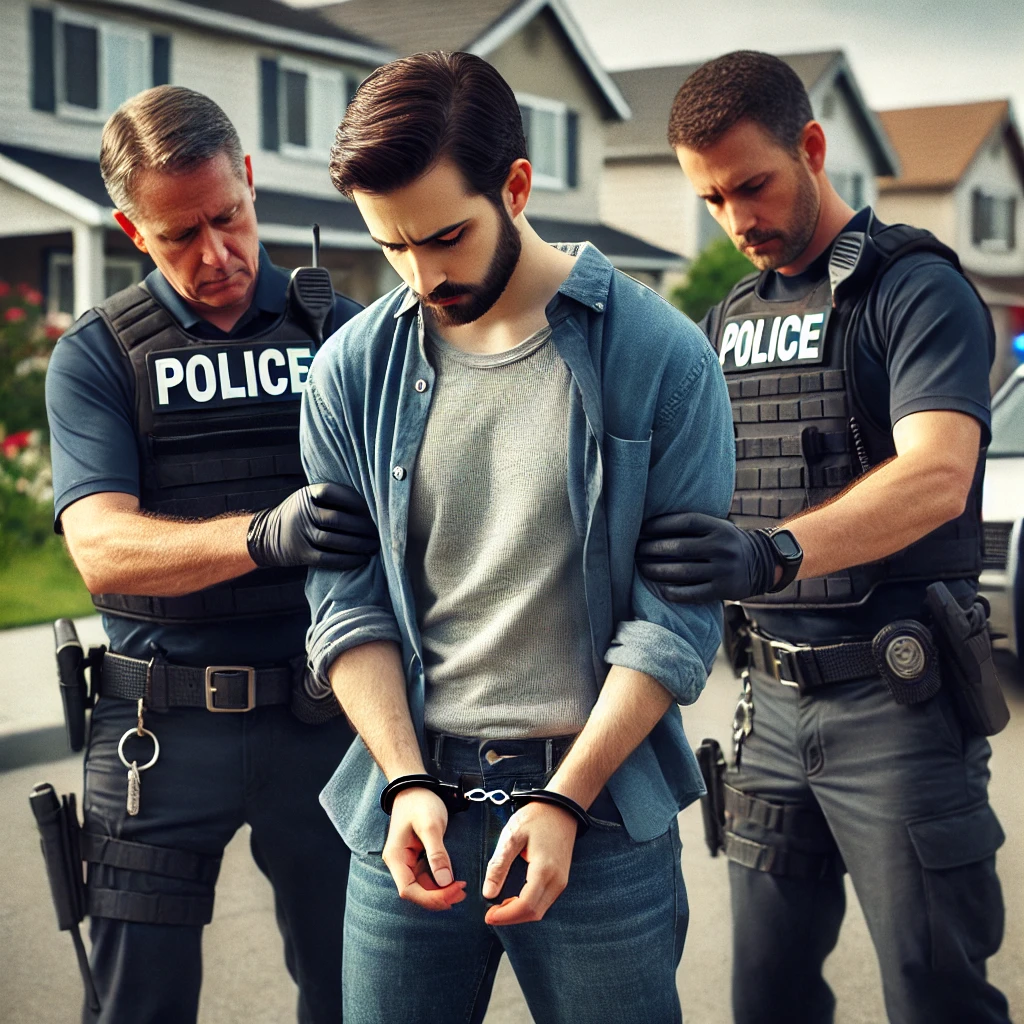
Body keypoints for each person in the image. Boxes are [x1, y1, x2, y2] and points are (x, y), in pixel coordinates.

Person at [297, 51, 734, 1024]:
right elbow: (345, 603)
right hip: (407, 805)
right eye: (392, 247)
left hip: (601, 818)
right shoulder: (347, 372)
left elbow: (672, 624)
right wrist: (406, 777)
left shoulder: (662, 358)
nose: (421, 276)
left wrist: (565, 799)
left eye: (446, 236)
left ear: (518, 185)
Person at [636, 50, 1010, 1024]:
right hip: (767, 707)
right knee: (764, 998)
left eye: (751, 185)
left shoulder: (912, 286)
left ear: (811, 145)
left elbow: (935, 474)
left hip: (899, 707)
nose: (735, 218)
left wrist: (771, 553)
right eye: (710, 199)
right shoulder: (726, 319)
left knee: (935, 996)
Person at [45, 85, 378, 1024]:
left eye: (227, 217)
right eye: (177, 234)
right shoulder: (99, 355)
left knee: (358, 996)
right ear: (128, 227)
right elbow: (102, 549)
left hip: (326, 718)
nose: (215, 253)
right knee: (136, 1007)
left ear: (251, 180)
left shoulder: (345, 335)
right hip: (157, 732)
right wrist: (260, 536)